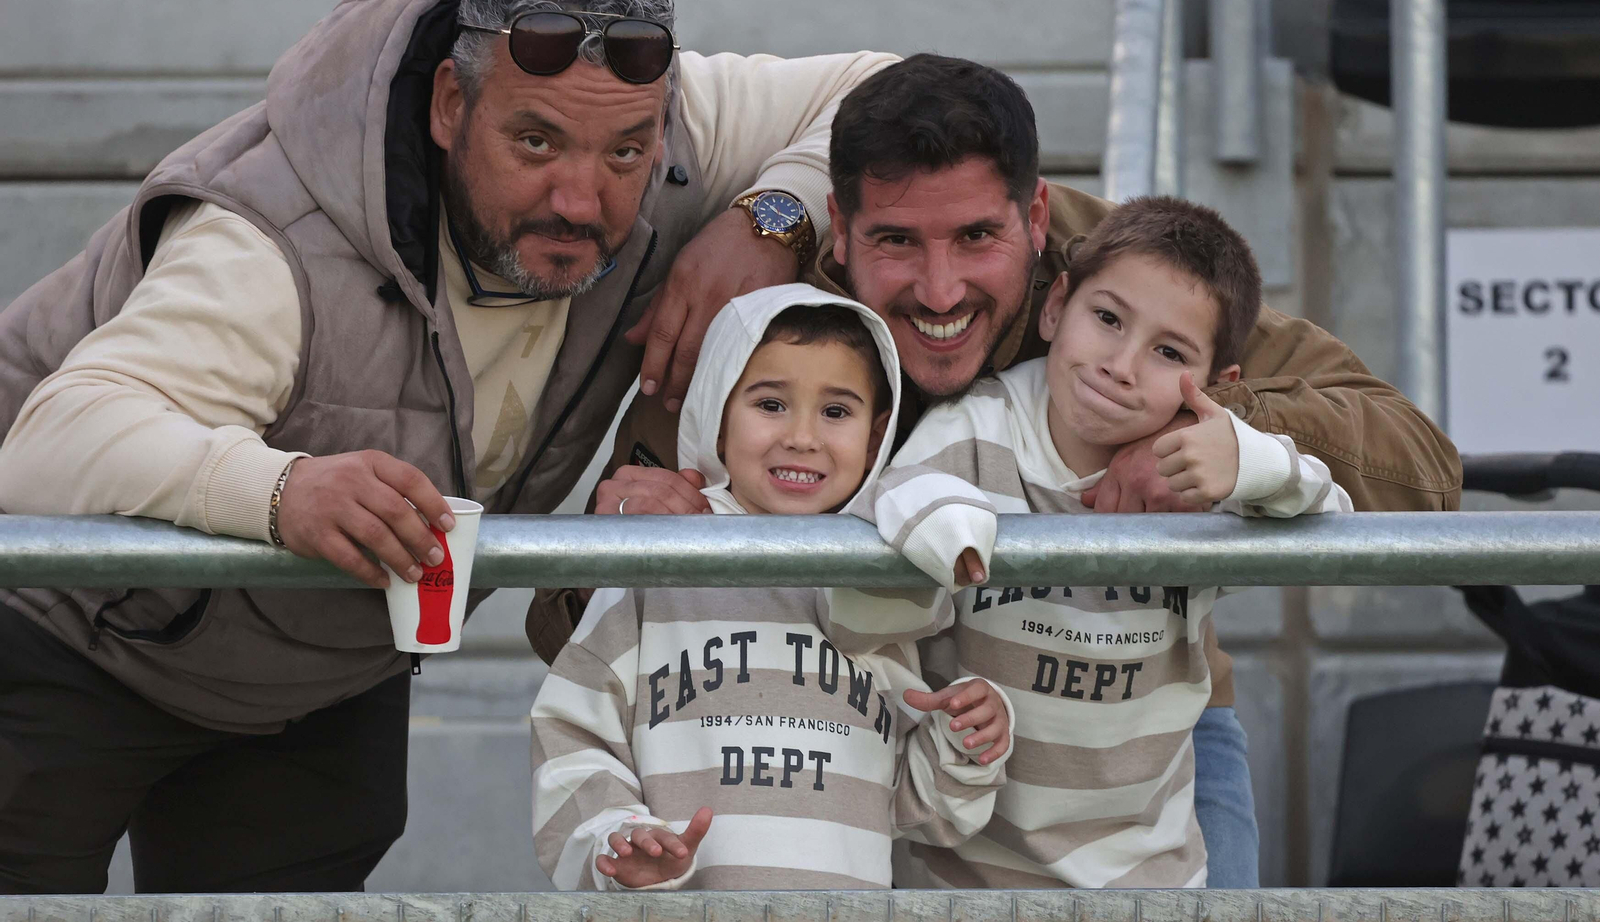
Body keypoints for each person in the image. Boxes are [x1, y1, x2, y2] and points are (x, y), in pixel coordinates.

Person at [0, 0, 899, 894]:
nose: (580, 197)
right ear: (448, 104)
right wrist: (281, 489)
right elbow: (48, 442)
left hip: (323, 676)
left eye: (626, 153)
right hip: (58, 641)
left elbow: (893, 87)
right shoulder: (268, 243)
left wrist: (772, 216)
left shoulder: (667, 121)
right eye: (535, 142)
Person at [553, 54, 1463, 887]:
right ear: (842, 231)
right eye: (899, 242)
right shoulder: (774, 332)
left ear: (1040, 224)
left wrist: (1196, 434)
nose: (941, 290)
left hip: (1142, 776)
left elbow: (1421, 466)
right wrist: (641, 533)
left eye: (978, 238)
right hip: (892, 763)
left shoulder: (1126, 281)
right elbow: (574, 624)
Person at [832, 195, 1353, 888]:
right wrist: (947, 531)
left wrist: (1242, 456)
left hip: (1155, 878)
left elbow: (1336, 523)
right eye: (1107, 319)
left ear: (1217, 387)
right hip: (972, 882)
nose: (1122, 364)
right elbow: (895, 516)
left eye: (1169, 351)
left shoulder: (1204, 468)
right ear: (1057, 310)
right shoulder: (975, 433)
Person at [530, 284, 1012, 890]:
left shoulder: (886, 580)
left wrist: (963, 744)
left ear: (873, 437)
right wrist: (618, 841)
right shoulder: (659, 561)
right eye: (770, 404)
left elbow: (916, 811)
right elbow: (570, 733)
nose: (802, 437)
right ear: (715, 416)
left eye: (836, 412)